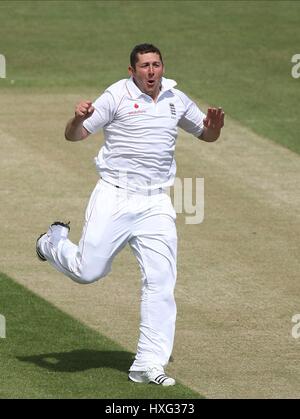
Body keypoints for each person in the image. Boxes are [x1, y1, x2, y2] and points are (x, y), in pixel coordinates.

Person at [36, 43, 224, 386]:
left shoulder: (175, 98)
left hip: (156, 202)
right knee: (87, 272)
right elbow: (74, 135)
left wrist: (215, 128)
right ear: (132, 71)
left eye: (156, 65)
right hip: (115, 195)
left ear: (163, 67)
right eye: (144, 66)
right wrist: (78, 118)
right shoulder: (115, 96)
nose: (151, 71)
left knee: (161, 282)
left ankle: (148, 363)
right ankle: (53, 242)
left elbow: (206, 135)